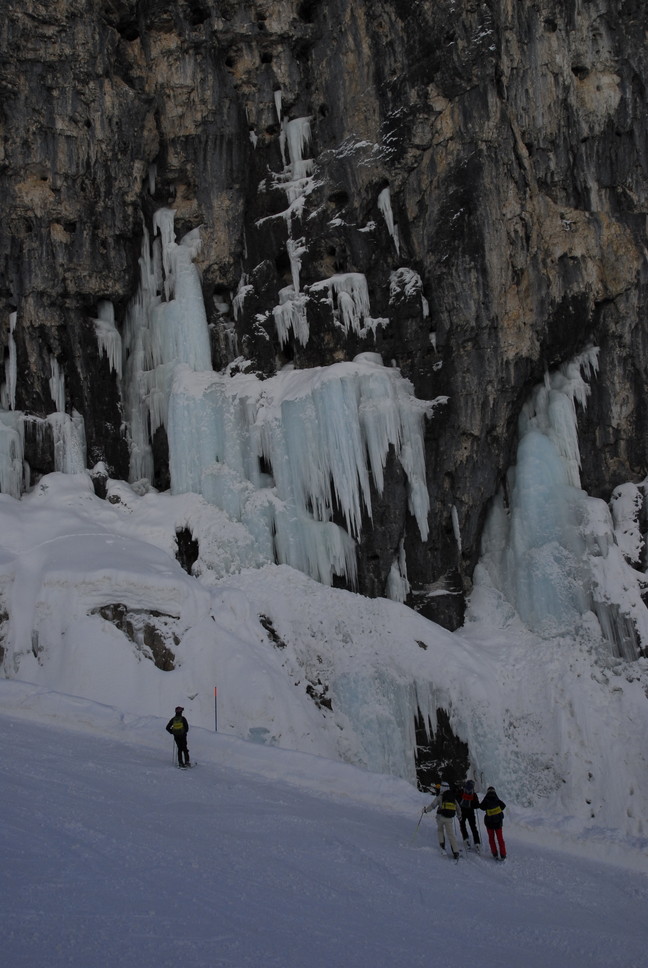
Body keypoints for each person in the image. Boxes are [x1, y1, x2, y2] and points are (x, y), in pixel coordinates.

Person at [424, 781, 462, 859]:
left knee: (440, 830)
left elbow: (433, 805)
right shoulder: (452, 796)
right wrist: (459, 816)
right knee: (451, 835)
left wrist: (426, 810)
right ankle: (456, 852)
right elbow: (458, 807)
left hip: (440, 817)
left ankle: (442, 846)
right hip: (449, 818)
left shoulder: (440, 796)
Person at [479, 785, 507, 860]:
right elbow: (503, 805)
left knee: (491, 838)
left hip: (489, 823)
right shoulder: (496, 799)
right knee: (500, 839)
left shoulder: (486, 799)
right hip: (498, 823)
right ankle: (503, 854)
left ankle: (495, 853)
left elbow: (481, 807)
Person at [458, 779, 481, 852]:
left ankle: (466, 839)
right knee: (473, 827)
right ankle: (477, 843)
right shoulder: (473, 794)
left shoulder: (462, 791)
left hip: (462, 811)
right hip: (470, 812)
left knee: (462, 825)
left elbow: (457, 799)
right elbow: (477, 805)